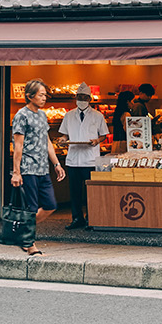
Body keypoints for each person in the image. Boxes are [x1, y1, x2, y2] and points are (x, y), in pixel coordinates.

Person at [11, 79, 67, 256]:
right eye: (41, 95)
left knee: (50, 205)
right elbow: (18, 146)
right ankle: (29, 243)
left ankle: (22, 232)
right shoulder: (21, 115)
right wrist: (16, 172)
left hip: (43, 168)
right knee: (31, 208)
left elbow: (47, 141)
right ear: (30, 96)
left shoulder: (42, 115)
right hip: (28, 168)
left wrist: (56, 163)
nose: (44, 98)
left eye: (45, 95)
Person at [58, 82, 108, 230]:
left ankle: (90, 218)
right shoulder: (69, 115)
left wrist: (96, 141)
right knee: (74, 192)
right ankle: (77, 218)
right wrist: (62, 140)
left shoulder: (98, 116)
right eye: (79, 97)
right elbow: (65, 134)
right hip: (73, 159)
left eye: (84, 97)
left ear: (89, 99)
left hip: (90, 159)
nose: (81, 100)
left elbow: (104, 135)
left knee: (89, 192)